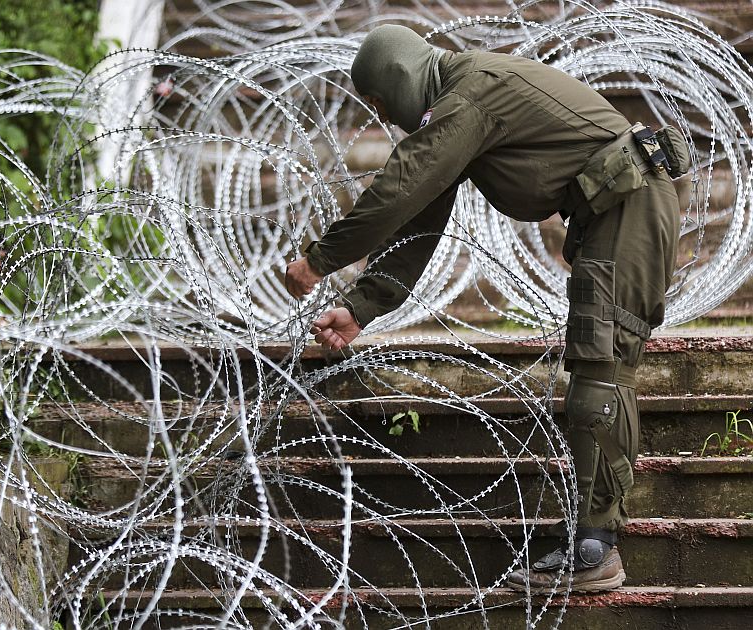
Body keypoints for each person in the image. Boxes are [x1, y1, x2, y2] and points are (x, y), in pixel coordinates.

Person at [284, 24, 685, 592]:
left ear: (397, 77)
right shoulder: (460, 100)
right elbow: (421, 213)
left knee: (602, 367)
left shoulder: (471, 91)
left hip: (630, 205)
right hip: (617, 207)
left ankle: (597, 549)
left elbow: (403, 184)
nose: (380, 114)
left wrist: (320, 259)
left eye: (377, 100)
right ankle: (594, 540)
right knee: (598, 362)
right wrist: (362, 306)